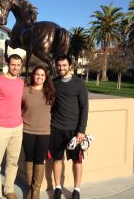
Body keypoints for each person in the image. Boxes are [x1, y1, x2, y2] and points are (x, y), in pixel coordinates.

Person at [49, 54, 89, 199]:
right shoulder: (54, 83)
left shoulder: (79, 84)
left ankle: (77, 190)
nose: (61, 68)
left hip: (74, 131)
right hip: (56, 128)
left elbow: (84, 107)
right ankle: (58, 187)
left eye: (64, 65)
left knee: (77, 161)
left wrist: (81, 131)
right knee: (57, 159)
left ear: (70, 65)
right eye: (59, 65)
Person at [0, 54, 24, 199]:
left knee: (13, 162)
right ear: (8, 64)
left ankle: (8, 190)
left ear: (21, 65)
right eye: (13, 64)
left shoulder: (21, 82)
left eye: (18, 65)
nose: (15, 67)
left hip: (17, 128)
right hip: (1, 128)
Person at [22, 65, 55, 199]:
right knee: (29, 159)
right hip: (27, 130)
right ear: (33, 76)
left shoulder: (50, 92)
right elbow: (16, 107)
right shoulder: (25, 91)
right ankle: (30, 187)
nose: (39, 77)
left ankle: (36, 190)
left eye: (42, 75)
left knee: (39, 160)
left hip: (44, 132)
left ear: (46, 77)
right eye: (37, 74)